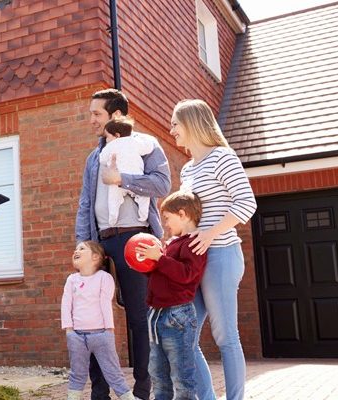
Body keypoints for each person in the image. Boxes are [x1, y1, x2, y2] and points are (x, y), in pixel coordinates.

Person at [76, 88, 171, 400]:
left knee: (139, 317)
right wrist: (83, 245)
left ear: (115, 116)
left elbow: (162, 184)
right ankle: (100, 392)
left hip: (135, 237)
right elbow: (85, 204)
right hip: (100, 243)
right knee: (92, 319)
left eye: (97, 114)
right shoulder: (93, 157)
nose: (91, 120)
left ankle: (144, 388)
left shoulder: (145, 146)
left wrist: (123, 180)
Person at [170, 99, 257, 400]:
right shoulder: (186, 170)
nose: (172, 130)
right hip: (194, 261)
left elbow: (246, 203)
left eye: (175, 124)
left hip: (221, 255)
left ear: (191, 124)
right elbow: (189, 219)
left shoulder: (223, 158)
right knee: (184, 336)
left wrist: (209, 234)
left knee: (225, 337)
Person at [135, 191, 207, 400]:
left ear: (183, 214)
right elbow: (159, 272)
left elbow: (187, 275)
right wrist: (147, 263)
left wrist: (160, 258)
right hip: (156, 314)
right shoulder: (171, 244)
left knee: (181, 376)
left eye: (167, 218)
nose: (165, 224)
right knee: (158, 373)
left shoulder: (193, 243)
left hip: (178, 316)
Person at [61, 240, 138, 400]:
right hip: (77, 337)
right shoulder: (71, 280)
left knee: (113, 373)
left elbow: (105, 303)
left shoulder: (104, 278)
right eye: (75, 249)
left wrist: (109, 331)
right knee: (77, 374)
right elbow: (66, 303)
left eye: (81, 248)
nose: (76, 251)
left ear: (95, 257)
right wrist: (69, 330)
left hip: (102, 335)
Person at [99, 117, 154, 225]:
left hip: (117, 179)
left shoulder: (111, 145)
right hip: (136, 179)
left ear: (117, 135)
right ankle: (143, 215)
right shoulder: (135, 141)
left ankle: (112, 218)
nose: (106, 140)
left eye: (107, 136)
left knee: (113, 199)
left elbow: (102, 159)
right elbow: (148, 148)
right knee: (144, 197)